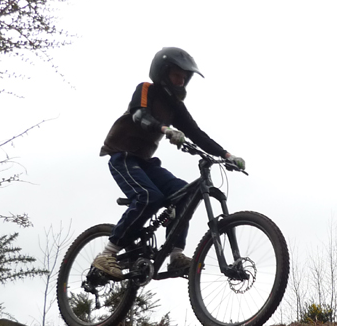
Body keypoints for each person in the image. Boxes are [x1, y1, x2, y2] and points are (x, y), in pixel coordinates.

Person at [93, 47, 245, 279]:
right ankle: (108, 253)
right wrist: (165, 129)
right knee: (149, 197)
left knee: (185, 193)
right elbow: (140, 115)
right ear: (162, 72)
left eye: (184, 77)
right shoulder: (146, 89)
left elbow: (196, 133)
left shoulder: (175, 106)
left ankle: (175, 256)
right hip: (122, 154)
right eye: (176, 75)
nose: (181, 80)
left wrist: (227, 155)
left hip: (145, 161)